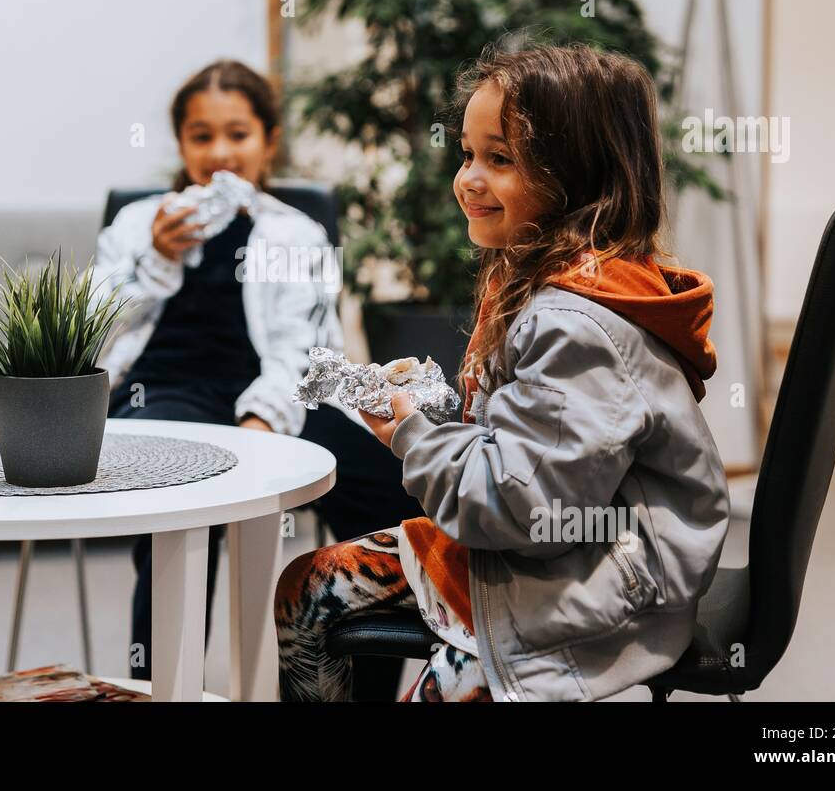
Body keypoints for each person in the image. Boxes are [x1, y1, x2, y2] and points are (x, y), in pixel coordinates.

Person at [275, 41, 731, 701]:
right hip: (537, 551)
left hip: (597, 583)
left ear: (576, 177)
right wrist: (424, 416)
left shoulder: (575, 325)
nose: (468, 178)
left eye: (501, 159)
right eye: (467, 153)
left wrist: (414, 438)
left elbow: (526, 514)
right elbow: (520, 450)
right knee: (307, 589)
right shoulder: (541, 280)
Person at [93, 59, 424, 699]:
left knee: (390, 484)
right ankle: (162, 686)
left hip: (284, 395)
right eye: (201, 135)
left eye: (238, 134)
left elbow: (302, 353)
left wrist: (261, 425)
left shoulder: (295, 232)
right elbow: (93, 329)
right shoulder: (140, 224)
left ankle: (356, 689)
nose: (220, 153)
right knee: (179, 493)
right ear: (181, 142)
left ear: (268, 140)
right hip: (167, 389)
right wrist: (156, 258)